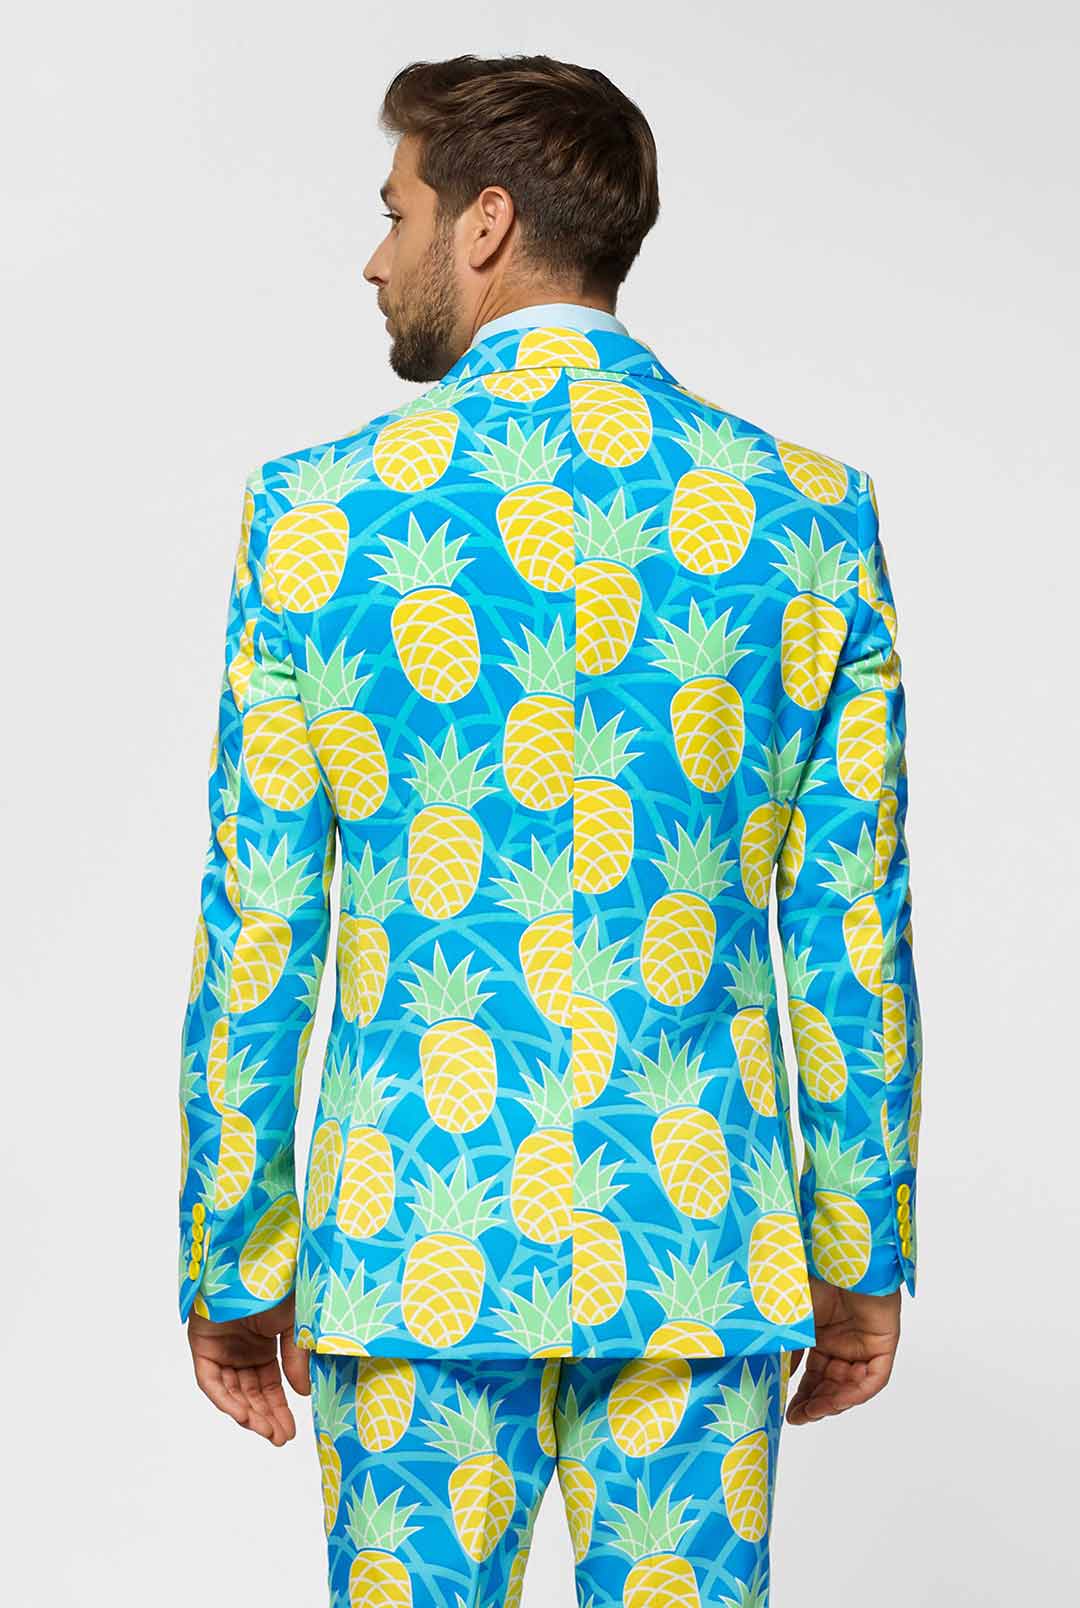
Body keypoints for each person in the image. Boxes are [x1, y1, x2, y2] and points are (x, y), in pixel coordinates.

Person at [178, 52, 922, 1607]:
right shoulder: (808, 514)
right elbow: (851, 924)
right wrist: (861, 1251)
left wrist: (236, 1257)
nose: (374, 256)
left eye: (397, 212)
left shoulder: (316, 518)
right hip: (697, 1249)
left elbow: (263, 923)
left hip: (410, 1251)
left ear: (486, 223)